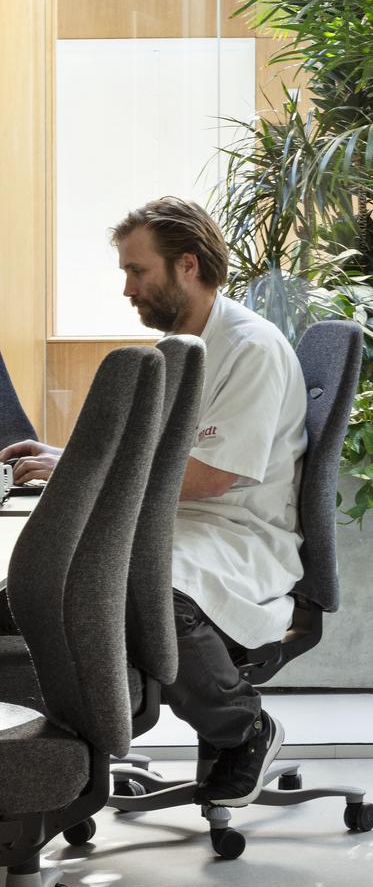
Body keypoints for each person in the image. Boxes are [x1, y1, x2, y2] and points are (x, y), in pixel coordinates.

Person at [0, 196, 305, 806]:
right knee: (47, 585)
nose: (127, 289)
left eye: (137, 272)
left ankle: (242, 726)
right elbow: (154, 459)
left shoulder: (250, 348)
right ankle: (58, 755)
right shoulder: (180, 349)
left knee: (146, 586)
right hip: (179, 520)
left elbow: (212, 476)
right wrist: (71, 463)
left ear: (186, 265)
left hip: (233, 531)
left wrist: (81, 475)